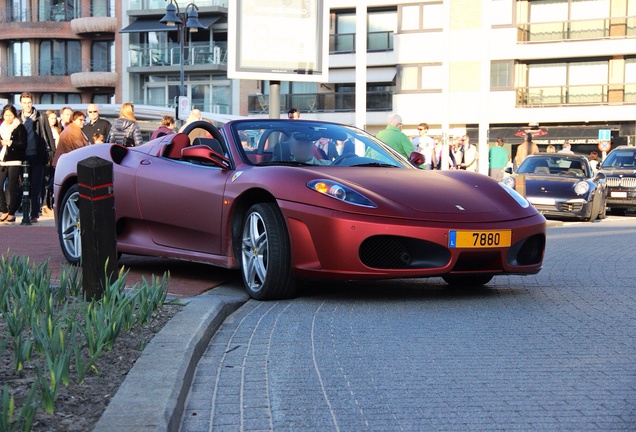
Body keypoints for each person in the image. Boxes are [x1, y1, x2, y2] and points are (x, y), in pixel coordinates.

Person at [18, 92, 55, 223]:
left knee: (36, 185)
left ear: (32, 103)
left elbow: (49, 136)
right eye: (25, 103)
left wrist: (51, 153)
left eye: (29, 102)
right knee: (24, 185)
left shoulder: (41, 117)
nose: (27, 105)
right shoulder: (18, 119)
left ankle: (34, 213)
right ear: (20, 103)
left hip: (38, 156)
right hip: (23, 157)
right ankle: (25, 211)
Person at [0, 105, 27, 224]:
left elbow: (22, 144)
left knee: (12, 187)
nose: (8, 118)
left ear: (14, 115)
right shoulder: (1, 127)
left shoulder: (20, 127)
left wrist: (10, 142)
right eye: (6, 115)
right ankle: (4, 210)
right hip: (2, 159)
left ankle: (12, 212)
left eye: (10, 115)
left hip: (15, 160)